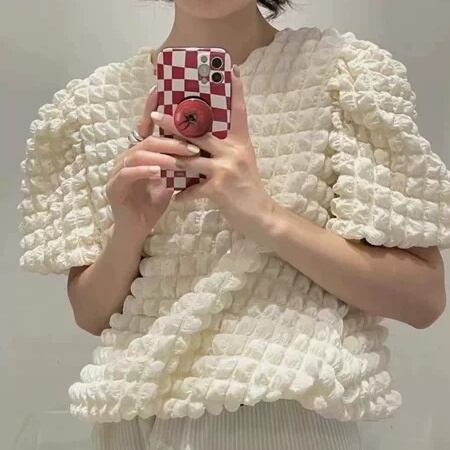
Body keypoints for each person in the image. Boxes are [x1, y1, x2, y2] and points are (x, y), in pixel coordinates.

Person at [17, 1, 450, 449]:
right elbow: (92, 314)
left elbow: (422, 299)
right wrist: (130, 228)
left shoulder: (343, 76)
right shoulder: (91, 105)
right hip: (132, 421)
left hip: (281, 418)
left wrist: (263, 215)